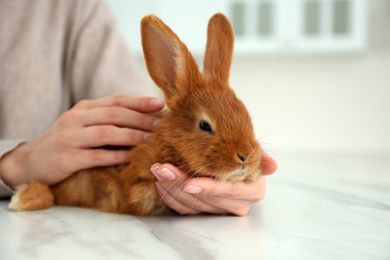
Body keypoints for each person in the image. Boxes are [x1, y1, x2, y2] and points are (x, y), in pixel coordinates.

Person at [0, 0, 277, 216]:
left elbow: (130, 103)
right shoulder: (160, 152)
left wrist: (243, 182)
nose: (242, 154)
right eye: (206, 127)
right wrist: (13, 163)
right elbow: (141, 196)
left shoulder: (72, 6)